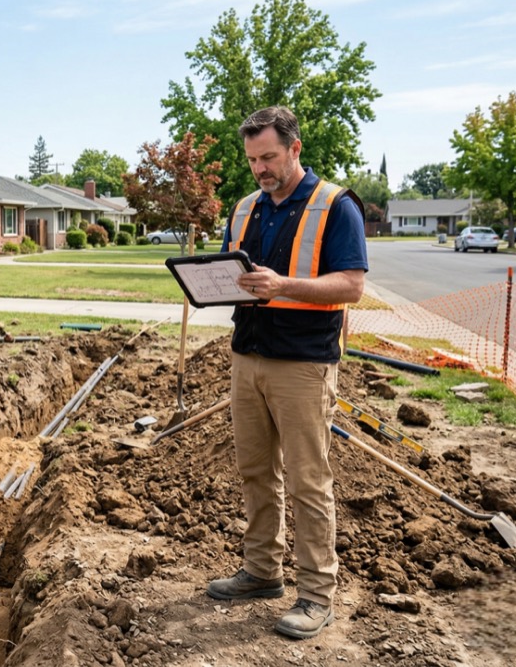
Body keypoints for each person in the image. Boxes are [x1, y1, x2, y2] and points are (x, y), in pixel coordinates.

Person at [207, 105, 368, 639]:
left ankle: (317, 595)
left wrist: (285, 287)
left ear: (295, 149)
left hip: (303, 364)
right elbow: (236, 273)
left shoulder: (335, 206)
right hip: (247, 355)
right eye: (253, 159)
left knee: (307, 480)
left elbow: (351, 286)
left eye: (269, 156)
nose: (260, 168)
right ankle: (262, 571)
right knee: (256, 471)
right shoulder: (247, 207)